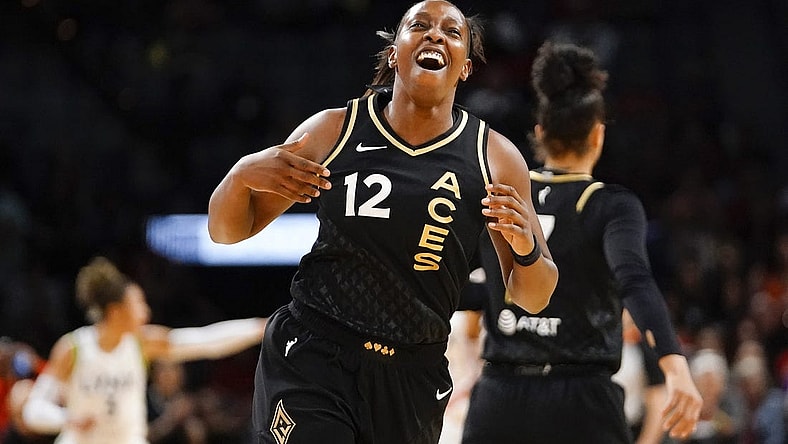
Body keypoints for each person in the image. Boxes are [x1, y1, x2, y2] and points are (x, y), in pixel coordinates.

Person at [207, 1, 558, 443]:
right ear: (394, 52)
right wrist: (240, 175)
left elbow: (534, 296)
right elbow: (225, 230)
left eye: (451, 32)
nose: (434, 35)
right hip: (316, 353)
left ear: (465, 68)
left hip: (412, 374)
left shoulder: (495, 158)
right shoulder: (335, 130)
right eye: (420, 26)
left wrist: (525, 246)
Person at [456, 41, 701, 444]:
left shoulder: (501, 194)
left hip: (501, 398)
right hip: (583, 399)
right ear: (597, 136)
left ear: (539, 133)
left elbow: (457, 282)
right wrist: (674, 367)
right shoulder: (609, 204)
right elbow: (635, 281)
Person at [20, 256, 267, 444]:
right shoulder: (72, 348)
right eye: (138, 303)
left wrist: (257, 328)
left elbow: (204, 341)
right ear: (116, 311)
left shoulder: (141, 342)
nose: (146, 311)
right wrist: (66, 418)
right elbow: (33, 410)